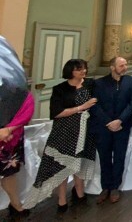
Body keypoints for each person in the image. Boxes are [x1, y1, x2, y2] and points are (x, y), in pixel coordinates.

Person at [26, 59, 97, 212]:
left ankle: (79, 192)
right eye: (79, 69)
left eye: (84, 68)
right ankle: (62, 199)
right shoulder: (60, 89)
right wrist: (81, 108)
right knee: (62, 165)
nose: (83, 71)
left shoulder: (91, 84)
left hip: (85, 130)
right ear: (70, 71)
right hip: (64, 131)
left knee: (81, 161)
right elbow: (56, 112)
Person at [90, 56, 132, 204]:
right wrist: (108, 122)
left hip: (122, 125)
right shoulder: (99, 83)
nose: (125, 67)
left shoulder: (131, 81)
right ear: (112, 67)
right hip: (104, 126)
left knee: (119, 156)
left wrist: (120, 120)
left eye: (126, 65)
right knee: (104, 157)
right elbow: (95, 105)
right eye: (121, 65)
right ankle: (105, 187)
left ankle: (115, 186)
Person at [0, 36, 35, 218]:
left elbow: (26, 104)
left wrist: (8, 129)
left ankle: (16, 204)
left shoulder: (13, 82)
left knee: (8, 173)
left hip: (8, 138)